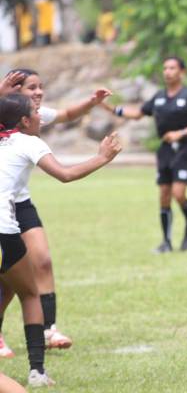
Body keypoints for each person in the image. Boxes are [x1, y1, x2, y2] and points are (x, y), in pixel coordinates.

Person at [0, 93, 122, 386]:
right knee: (30, 294)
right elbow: (65, 175)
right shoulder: (29, 141)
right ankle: (37, 372)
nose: (41, 116)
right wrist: (103, 157)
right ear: (25, 121)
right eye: (36, 113)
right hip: (4, 233)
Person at [102, 57, 187, 253]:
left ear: (182, 72)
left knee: (179, 194)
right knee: (164, 196)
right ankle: (166, 242)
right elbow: (138, 112)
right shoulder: (159, 97)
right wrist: (109, 108)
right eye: (165, 68)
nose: (167, 71)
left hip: (184, 149)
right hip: (165, 150)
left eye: (172, 68)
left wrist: (180, 133)